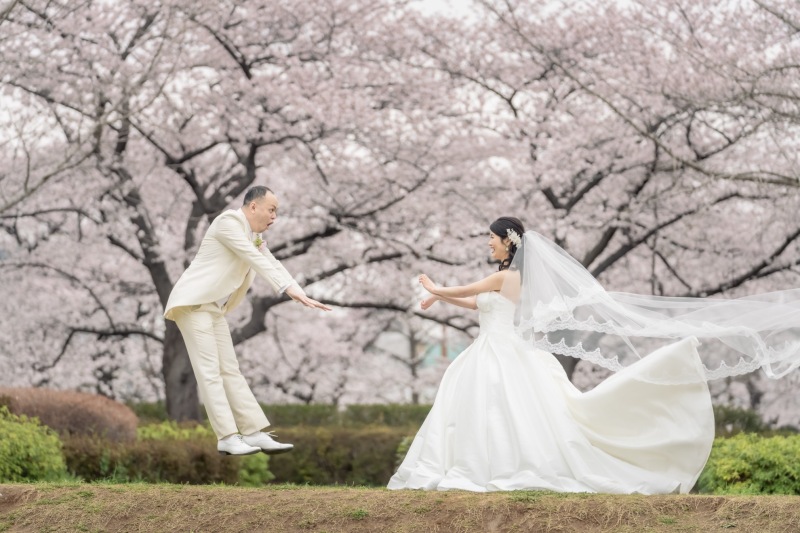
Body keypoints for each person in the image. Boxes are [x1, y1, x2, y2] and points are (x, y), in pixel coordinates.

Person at [388, 217, 716, 493]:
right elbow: (476, 302)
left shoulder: (509, 277)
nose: (488, 243)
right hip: (489, 347)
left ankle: (499, 467)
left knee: (504, 410)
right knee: (486, 410)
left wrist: (435, 288)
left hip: (502, 349)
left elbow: (468, 289)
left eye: (492, 237)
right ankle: (482, 466)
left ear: (507, 240)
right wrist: (440, 299)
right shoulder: (505, 277)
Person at [164, 186, 331, 456]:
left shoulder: (253, 234)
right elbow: (254, 257)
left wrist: (298, 292)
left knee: (230, 370)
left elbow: (270, 260)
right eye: (271, 209)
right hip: (192, 304)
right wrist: (287, 290)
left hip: (211, 306)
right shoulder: (228, 222)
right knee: (210, 371)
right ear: (253, 207)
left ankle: (253, 433)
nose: (275, 217)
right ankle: (227, 437)